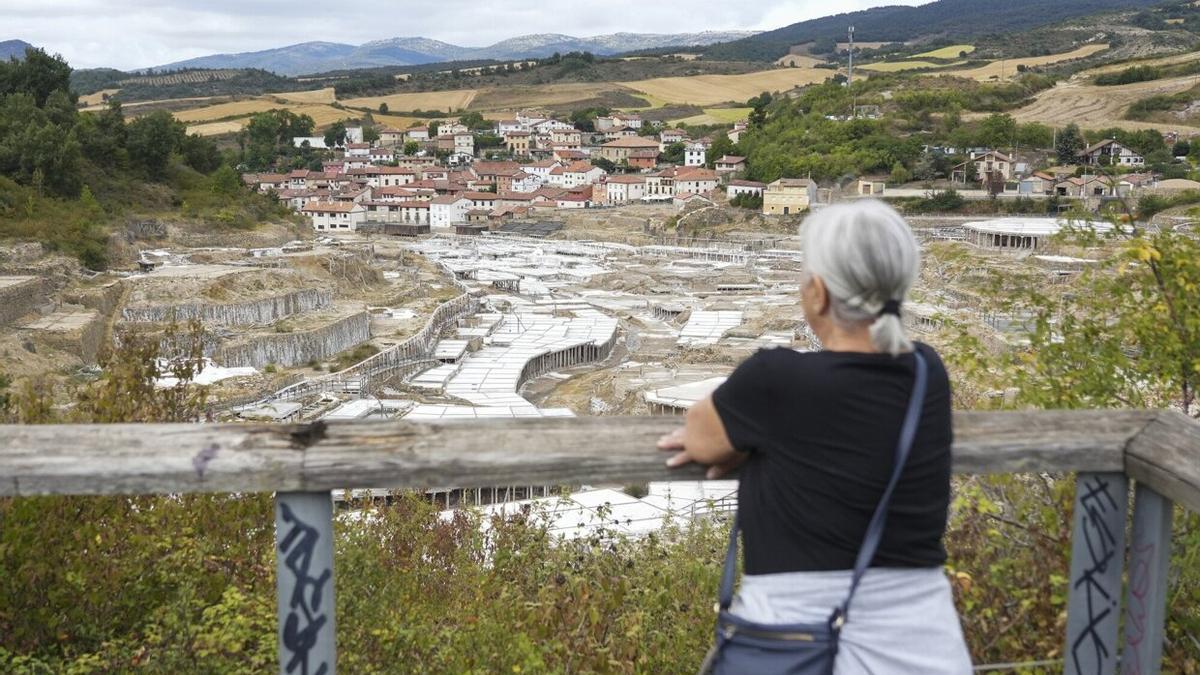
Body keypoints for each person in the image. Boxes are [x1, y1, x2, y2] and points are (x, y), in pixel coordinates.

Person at [658, 200, 972, 673]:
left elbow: (701, 440)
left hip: (788, 641)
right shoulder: (928, 372)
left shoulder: (774, 379)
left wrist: (749, 447)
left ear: (818, 293)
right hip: (924, 646)